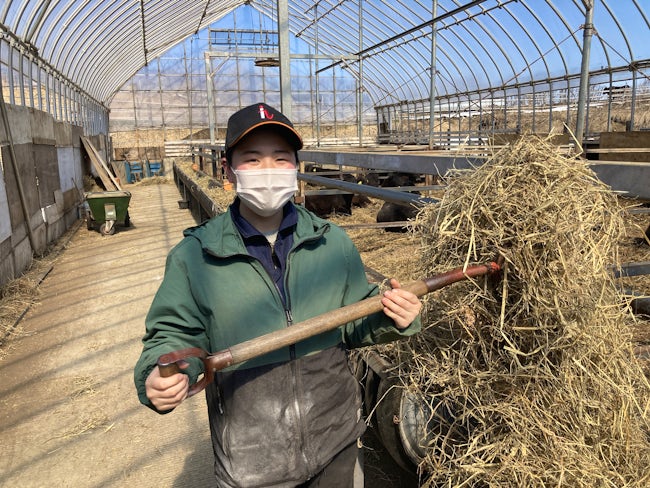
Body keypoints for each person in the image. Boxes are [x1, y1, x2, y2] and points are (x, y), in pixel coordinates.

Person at [134, 102, 422, 488]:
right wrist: (162, 373)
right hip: (253, 456)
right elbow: (171, 336)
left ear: (296, 169)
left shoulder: (332, 243)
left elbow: (355, 321)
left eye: (281, 158)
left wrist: (392, 316)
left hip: (336, 441)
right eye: (252, 159)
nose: (269, 170)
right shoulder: (195, 256)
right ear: (227, 170)